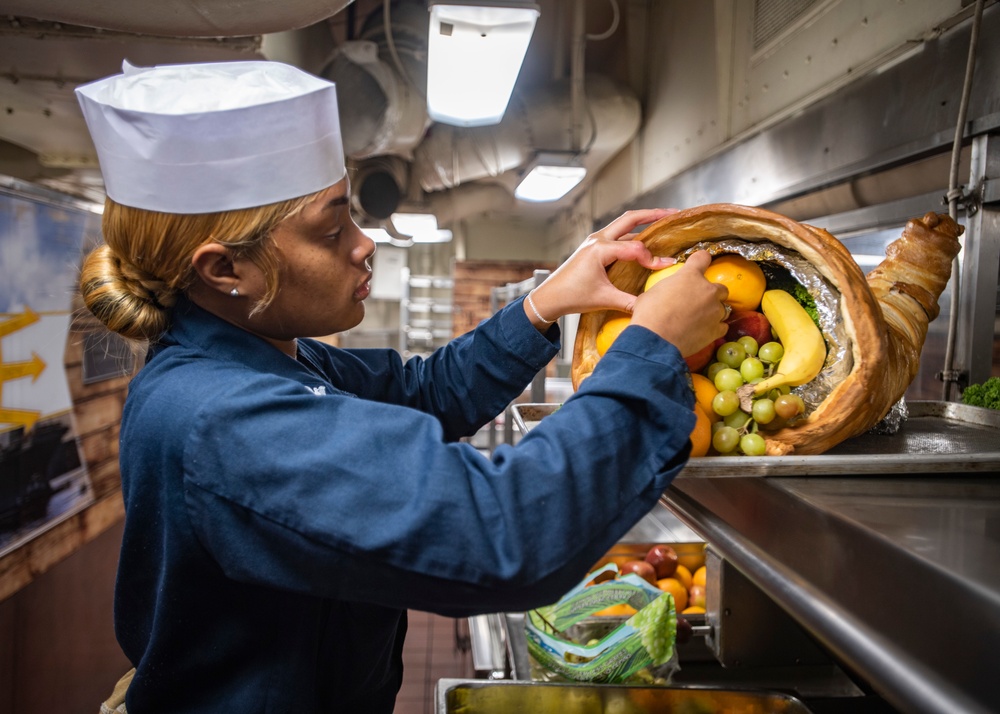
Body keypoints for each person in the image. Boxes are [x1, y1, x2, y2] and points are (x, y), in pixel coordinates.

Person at [75, 60, 728, 713]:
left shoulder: (276, 362)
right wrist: (654, 349)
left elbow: (425, 392)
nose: (365, 246)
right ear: (226, 269)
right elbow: (501, 537)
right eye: (332, 230)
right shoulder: (218, 417)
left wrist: (544, 304)